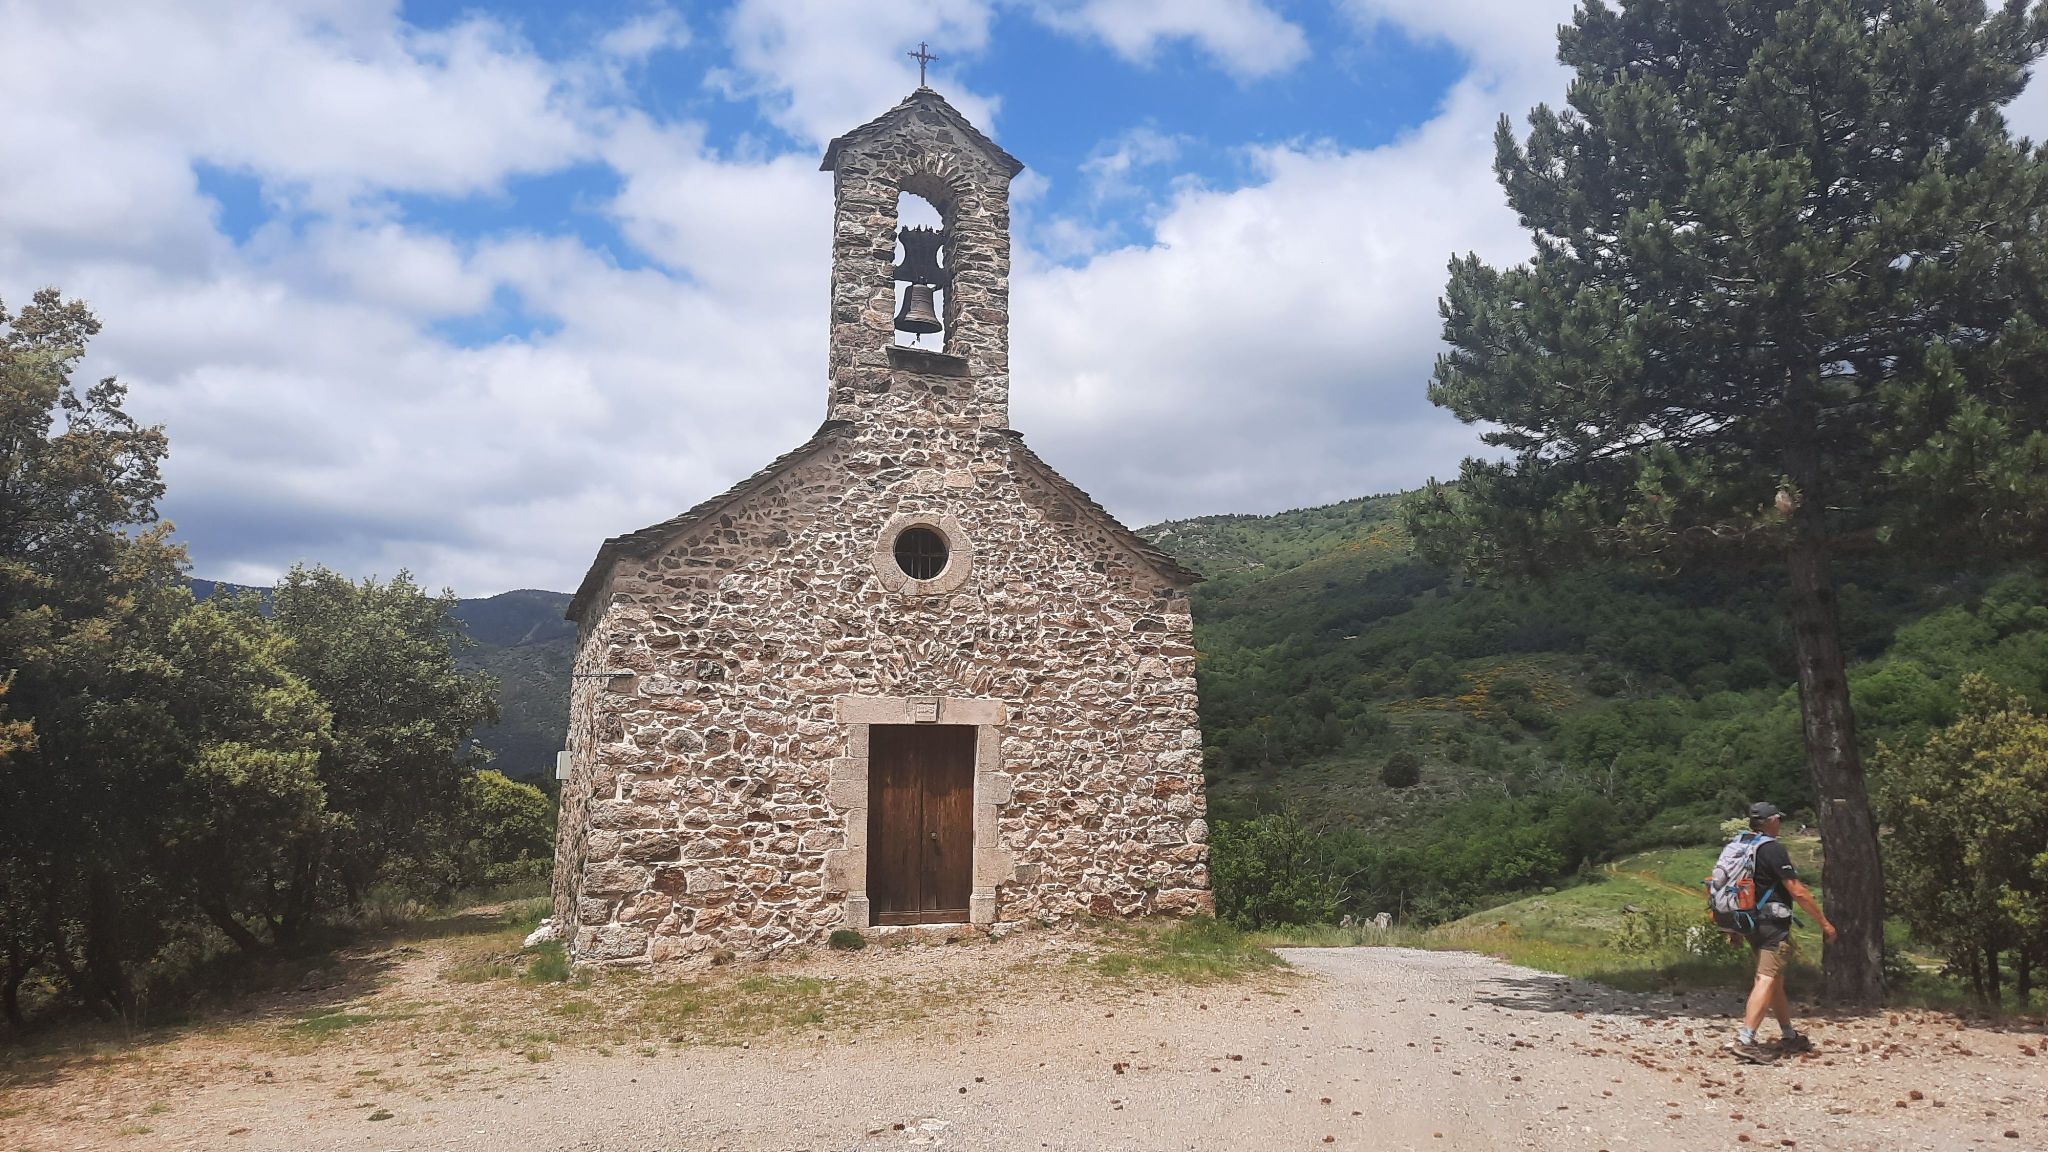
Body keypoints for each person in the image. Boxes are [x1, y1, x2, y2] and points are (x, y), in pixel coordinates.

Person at [1729, 801, 1837, 1064]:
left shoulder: (1741, 846)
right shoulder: (1772, 849)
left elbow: (1732, 886)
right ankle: (1746, 1040)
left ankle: (1788, 1034)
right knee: (1765, 978)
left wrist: (1734, 927)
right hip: (1772, 925)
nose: (1780, 823)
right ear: (1770, 821)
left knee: (1775, 978)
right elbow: (1797, 891)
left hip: (1749, 921)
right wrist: (1824, 923)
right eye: (1778, 819)